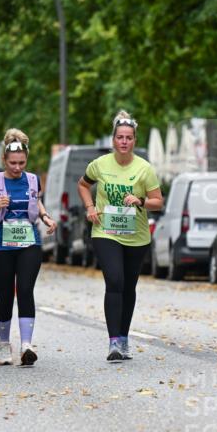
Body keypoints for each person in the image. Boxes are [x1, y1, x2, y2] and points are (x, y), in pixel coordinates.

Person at [77, 110, 163, 361]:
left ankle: (124, 338)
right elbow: (83, 184)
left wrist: (141, 201)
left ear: (134, 141)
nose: (124, 142)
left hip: (136, 235)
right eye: (120, 137)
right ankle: (113, 342)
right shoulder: (100, 164)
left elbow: (158, 202)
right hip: (106, 231)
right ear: (113, 140)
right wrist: (90, 207)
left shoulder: (144, 169)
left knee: (128, 286)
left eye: (129, 138)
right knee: (114, 280)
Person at [0, 128, 56, 366]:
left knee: (26, 290)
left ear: (26, 160)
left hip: (29, 243)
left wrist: (46, 218)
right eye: (12, 163)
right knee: (6, 295)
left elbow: (36, 202)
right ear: (4, 161)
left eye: (21, 162)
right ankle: (3, 345)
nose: (17, 167)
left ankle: (27, 345)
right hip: (1, 246)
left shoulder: (32, 179)